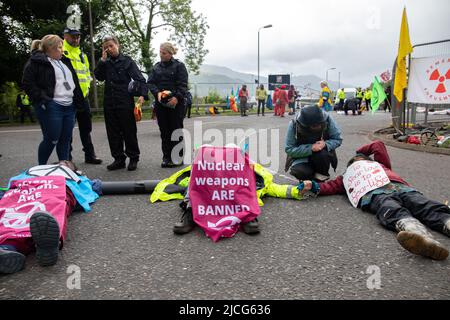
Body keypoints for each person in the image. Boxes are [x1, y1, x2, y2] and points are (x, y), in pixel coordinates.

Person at [299, 141, 450, 261]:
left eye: (359, 160)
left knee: (425, 205)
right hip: (375, 194)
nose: (356, 163)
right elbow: (329, 187)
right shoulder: (346, 177)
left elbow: (377, 145)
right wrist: (311, 185)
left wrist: (360, 153)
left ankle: (447, 223)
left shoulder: (380, 165)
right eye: (353, 163)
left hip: (401, 188)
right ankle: (419, 236)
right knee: (391, 209)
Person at [0, 161, 99, 274]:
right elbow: (13, 184)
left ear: (74, 170)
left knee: (50, 207)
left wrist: (95, 184)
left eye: (68, 163)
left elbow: (95, 185)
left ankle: (46, 245)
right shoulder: (32, 171)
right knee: (12, 212)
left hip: (58, 188)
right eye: (62, 161)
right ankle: (7, 249)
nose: (64, 162)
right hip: (25, 188)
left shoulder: (77, 177)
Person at [22, 34, 83, 165]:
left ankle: (64, 166)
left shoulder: (64, 61)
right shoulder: (36, 61)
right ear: (50, 49)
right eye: (59, 48)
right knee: (52, 139)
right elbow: (27, 83)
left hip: (69, 106)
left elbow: (74, 83)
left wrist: (78, 101)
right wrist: (44, 100)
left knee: (65, 139)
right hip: (52, 106)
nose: (62, 50)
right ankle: (41, 168)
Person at [94, 35, 147, 171]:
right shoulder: (104, 63)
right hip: (109, 102)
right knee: (112, 132)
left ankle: (133, 158)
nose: (109, 49)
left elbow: (140, 79)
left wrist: (142, 94)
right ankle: (118, 159)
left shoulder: (127, 61)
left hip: (124, 101)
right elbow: (98, 76)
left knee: (129, 130)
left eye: (111, 46)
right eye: (106, 48)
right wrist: (102, 60)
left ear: (117, 45)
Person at [63, 27, 102, 165]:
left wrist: (87, 89)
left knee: (86, 127)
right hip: (68, 97)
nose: (76, 39)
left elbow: (86, 74)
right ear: (65, 36)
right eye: (73, 36)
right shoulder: (61, 52)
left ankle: (90, 155)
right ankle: (67, 158)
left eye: (78, 36)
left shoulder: (82, 54)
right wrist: (69, 91)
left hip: (83, 97)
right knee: (67, 129)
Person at [147, 42, 189, 168]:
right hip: (161, 104)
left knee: (175, 130)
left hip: (176, 104)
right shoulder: (156, 67)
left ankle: (178, 157)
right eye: (160, 52)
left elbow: (182, 84)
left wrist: (177, 97)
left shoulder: (179, 66)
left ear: (170, 54)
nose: (161, 55)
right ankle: (166, 157)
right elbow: (151, 83)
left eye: (164, 53)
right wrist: (157, 93)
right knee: (164, 131)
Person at [285, 105, 342, 182]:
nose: (318, 127)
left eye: (319, 125)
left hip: (321, 154)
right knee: (300, 171)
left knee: (322, 155)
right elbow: (289, 149)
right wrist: (310, 148)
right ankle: (308, 178)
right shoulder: (294, 124)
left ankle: (321, 178)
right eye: (314, 126)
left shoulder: (327, 118)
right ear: (305, 126)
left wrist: (325, 144)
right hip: (301, 157)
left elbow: (337, 139)